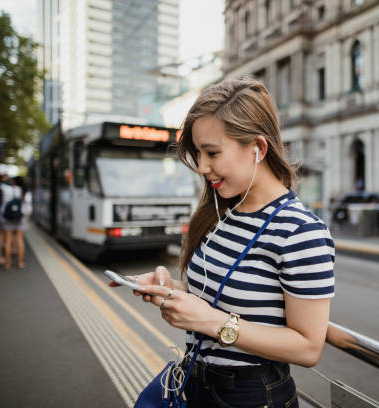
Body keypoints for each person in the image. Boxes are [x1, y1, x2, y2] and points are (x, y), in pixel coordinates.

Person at [110, 77, 335, 407]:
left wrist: (210, 322)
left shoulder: (301, 232)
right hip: (195, 382)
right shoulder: (223, 211)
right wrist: (172, 290)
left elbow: (308, 347)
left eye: (212, 152)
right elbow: (222, 299)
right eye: (198, 153)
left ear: (258, 148)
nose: (202, 167)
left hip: (252, 396)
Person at [0, 177, 25, 269]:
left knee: (8, 241)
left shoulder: (4, 188)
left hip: (7, 217)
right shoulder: (20, 190)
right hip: (19, 217)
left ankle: (8, 263)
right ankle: (20, 263)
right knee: (19, 239)